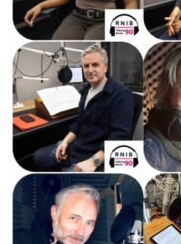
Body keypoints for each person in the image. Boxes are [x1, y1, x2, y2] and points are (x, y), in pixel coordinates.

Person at [32, 44, 134, 172]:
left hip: (93, 156)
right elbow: (79, 122)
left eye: (95, 65)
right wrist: (65, 142)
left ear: (105, 67)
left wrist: (93, 162)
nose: (90, 70)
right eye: (86, 66)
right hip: (75, 148)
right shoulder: (86, 90)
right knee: (37, 157)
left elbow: (121, 136)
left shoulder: (121, 94)